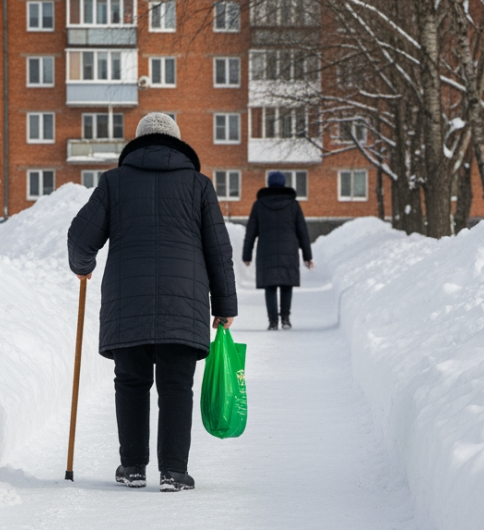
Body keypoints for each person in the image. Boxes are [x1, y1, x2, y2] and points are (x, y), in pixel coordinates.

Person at [67, 113, 237, 493]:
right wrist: (224, 305)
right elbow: (218, 249)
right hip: (185, 302)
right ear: (177, 143)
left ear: (138, 143)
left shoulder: (113, 182)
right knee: (177, 386)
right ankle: (174, 471)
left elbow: (80, 238)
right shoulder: (199, 185)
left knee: (130, 382)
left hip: (127, 303)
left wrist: (83, 267)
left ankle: (132, 467)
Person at [242, 171, 314, 331]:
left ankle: (273, 322)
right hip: (289, 250)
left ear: (269, 184)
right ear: (283, 184)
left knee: (270, 286)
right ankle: (286, 319)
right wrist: (308, 256)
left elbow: (251, 231)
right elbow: (302, 231)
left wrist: (246, 254)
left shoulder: (259, 204)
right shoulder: (293, 204)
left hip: (266, 250)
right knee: (286, 285)